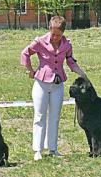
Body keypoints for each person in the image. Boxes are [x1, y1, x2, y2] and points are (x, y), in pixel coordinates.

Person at [21, 16, 87, 161]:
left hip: (58, 84)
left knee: (55, 118)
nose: (55, 37)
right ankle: (37, 150)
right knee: (39, 116)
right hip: (41, 84)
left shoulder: (67, 45)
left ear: (63, 32)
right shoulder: (39, 42)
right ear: (49, 29)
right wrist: (30, 70)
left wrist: (82, 73)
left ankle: (53, 148)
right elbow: (25, 53)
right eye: (53, 33)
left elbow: (70, 61)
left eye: (58, 34)